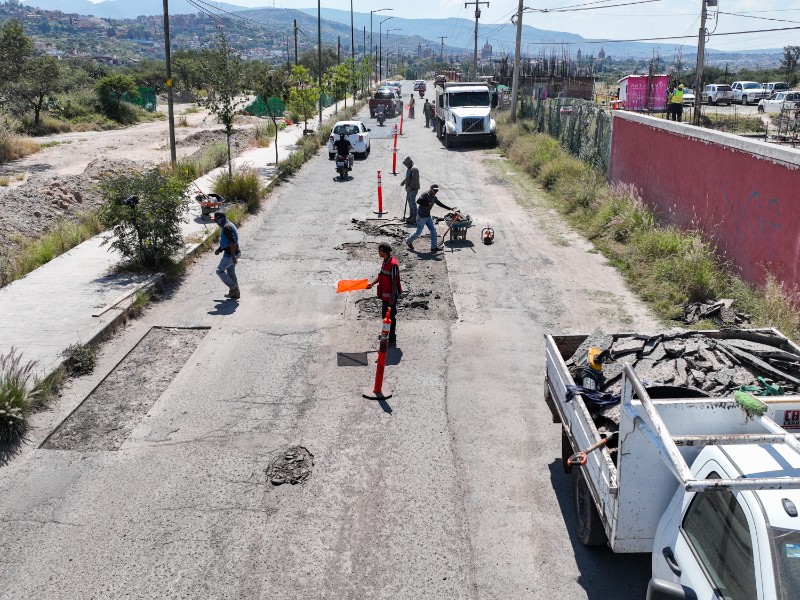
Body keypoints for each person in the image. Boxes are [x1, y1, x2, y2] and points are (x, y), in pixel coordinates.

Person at [367, 242, 401, 346]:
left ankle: (391, 338)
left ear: (384, 251)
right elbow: (381, 275)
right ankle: (386, 334)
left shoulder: (393, 265)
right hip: (385, 296)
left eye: (379, 250)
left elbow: (395, 281)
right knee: (385, 316)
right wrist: (372, 283)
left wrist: (392, 297)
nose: (378, 252)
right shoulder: (386, 261)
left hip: (390, 296)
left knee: (390, 316)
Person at [406, 184, 454, 253]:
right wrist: (427, 204)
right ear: (431, 189)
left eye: (436, 190)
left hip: (428, 216)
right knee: (418, 232)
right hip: (421, 217)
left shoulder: (434, 198)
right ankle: (408, 241)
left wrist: (449, 208)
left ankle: (434, 247)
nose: (435, 192)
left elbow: (439, 203)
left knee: (433, 231)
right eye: (434, 190)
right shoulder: (425, 194)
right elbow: (418, 201)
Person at [214, 211, 241, 299]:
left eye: (216, 220)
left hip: (230, 255)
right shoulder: (228, 225)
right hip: (233, 252)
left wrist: (233, 256)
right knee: (230, 272)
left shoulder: (227, 227)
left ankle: (234, 289)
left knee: (219, 271)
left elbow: (233, 242)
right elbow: (227, 241)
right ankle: (235, 293)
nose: (216, 222)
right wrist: (220, 249)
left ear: (220, 220)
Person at [399, 156, 420, 224]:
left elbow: (414, 181)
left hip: (413, 189)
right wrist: (404, 181)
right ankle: (411, 216)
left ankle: (415, 217)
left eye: (405, 164)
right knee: (410, 203)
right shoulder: (409, 168)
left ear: (408, 164)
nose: (405, 166)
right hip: (409, 189)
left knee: (413, 203)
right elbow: (408, 177)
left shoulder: (414, 169)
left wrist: (409, 188)